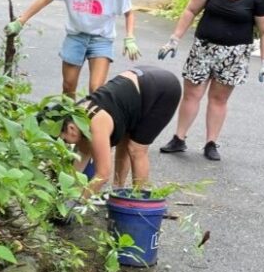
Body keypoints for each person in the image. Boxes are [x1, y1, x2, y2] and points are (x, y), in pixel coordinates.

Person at [158, 0, 264, 162]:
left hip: (234, 54)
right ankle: (178, 138)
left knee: (218, 98)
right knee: (192, 93)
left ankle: (211, 142)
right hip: (203, 47)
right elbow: (190, 10)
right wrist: (174, 39)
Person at [5, 0, 141, 97]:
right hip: (76, 36)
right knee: (68, 86)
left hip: (102, 39)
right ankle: (69, 119)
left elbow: (129, 12)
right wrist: (21, 21)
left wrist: (130, 37)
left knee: (97, 89)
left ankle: (93, 120)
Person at [58, 65, 182, 198]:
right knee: (124, 139)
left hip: (163, 89)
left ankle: (139, 201)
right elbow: (83, 155)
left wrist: (78, 201)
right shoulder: (77, 117)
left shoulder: (95, 123)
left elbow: (103, 174)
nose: (66, 143)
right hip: (139, 83)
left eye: (64, 139)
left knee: (136, 148)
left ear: (71, 128)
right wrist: (64, 194)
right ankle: (117, 191)